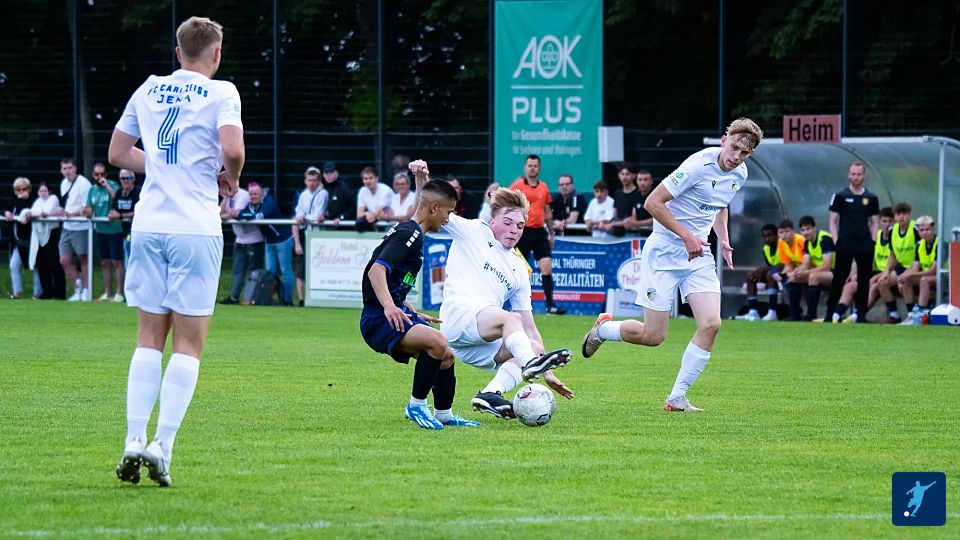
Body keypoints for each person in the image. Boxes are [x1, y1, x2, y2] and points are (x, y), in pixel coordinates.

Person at [109, 15, 245, 487]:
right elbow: (233, 149)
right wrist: (231, 178)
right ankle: (161, 446)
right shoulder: (222, 91)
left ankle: (133, 438)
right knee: (188, 344)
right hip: (194, 228)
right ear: (216, 54)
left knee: (148, 337)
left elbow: (118, 153)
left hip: (149, 225)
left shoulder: (148, 88)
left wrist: (166, 169)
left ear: (177, 52)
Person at [581, 117, 763, 413]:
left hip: (698, 254)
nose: (736, 157)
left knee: (711, 324)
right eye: (734, 148)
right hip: (664, 252)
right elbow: (652, 203)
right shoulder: (697, 166)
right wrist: (686, 236)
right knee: (654, 337)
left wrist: (724, 239)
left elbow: (720, 205)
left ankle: (677, 397)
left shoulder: (739, 173)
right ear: (724, 139)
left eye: (744, 153)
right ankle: (604, 329)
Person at [437, 181, 574, 419]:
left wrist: (548, 372)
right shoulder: (473, 230)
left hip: (475, 343)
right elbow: (434, 208)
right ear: (492, 221)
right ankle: (530, 363)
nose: (514, 230)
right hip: (457, 318)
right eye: (508, 222)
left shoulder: (519, 268)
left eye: (520, 225)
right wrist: (422, 178)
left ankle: (490, 393)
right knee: (511, 320)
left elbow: (529, 326)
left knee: (533, 346)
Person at [360, 159, 478, 430]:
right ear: (435, 209)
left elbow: (423, 203)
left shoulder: (412, 230)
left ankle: (444, 414)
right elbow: (376, 272)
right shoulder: (409, 234)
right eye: (448, 212)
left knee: (446, 354)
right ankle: (416, 406)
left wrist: (406, 307)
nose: (448, 219)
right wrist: (390, 307)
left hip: (392, 312)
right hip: (378, 319)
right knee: (437, 342)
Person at [510, 154, 566, 314]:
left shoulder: (544, 187)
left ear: (539, 168)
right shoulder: (516, 186)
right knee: (522, 271)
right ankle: (521, 306)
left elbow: (547, 212)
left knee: (546, 267)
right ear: (525, 168)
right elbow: (507, 206)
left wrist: (552, 234)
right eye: (530, 165)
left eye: (535, 166)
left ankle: (550, 305)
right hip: (523, 232)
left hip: (540, 232)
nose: (532, 168)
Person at [824, 162, 879, 323]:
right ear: (849, 175)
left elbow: (874, 221)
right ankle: (829, 314)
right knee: (839, 279)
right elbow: (833, 220)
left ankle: (861, 316)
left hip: (864, 244)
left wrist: (872, 241)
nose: (856, 177)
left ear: (864, 176)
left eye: (859, 174)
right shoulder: (840, 196)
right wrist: (836, 241)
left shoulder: (871, 198)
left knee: (863, 280)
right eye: (853, 174)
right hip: (845, 243)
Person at [825, 206, 894, 323]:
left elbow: (896, 259)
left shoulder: (895, 236)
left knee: (872, 285)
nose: (887, 224)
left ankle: (858, 315)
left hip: (890, 272)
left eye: (890, 221)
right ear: (879, 222)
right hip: (876, 272)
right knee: (850, 286)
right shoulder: (875, 236)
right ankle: (836, 314)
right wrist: (854, 272)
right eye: (884, 221)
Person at [239, 182, 294, 305]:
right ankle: (273, 298)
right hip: (269, 241)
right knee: (270, 272)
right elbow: (241, 215)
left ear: (262, 193)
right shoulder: (251, 206)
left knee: (285, 270)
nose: (253, 196)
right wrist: (240, 214)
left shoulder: (269, 202)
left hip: (283, 239)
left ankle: (288, 300)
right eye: (251, 194)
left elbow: (259, 216)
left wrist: (241, 214)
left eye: (256, 194)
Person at [84, 162, 125, 303]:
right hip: (100, 230)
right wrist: (87, 212)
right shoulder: (92, 190)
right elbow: (89, 207)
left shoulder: (113, 185)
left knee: (116, 261)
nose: (99, 177)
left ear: (106, 175)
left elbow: (117, 198)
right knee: (105, 262)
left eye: (102, 174)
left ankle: (119, 293)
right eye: (97, 174)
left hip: (115, 229)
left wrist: (106, 185)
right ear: (93, 175)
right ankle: (107, 293)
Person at [218, 183, 263, 304]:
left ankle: (251, 298)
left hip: (254, 239)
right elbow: (219, 213)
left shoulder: (243, 195)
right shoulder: (230, 197)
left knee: (254, 271)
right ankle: (234, 297)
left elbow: (234, 215)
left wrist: (225, 215)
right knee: (238, 270)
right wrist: (226, 198)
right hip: (240, 239)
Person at [56, 158, 92, 302]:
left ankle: (87, 290)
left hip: (80, 226)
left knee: (83, 258)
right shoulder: (63, 183)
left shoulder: (84, 183)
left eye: (70, 168)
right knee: (64, 259)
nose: (67, 171)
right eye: (64, 168)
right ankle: (78, 287)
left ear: (75, 168)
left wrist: (72, 214)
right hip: (67, 226)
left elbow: (86, 207)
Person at [785, 216, 834, 321]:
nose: (805, 232)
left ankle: (811, 315)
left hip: (834, 273)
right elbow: (805, 264)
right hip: (819, 272)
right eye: (802, 230)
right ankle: (794, 314)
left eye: (808, 229)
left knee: (813, 277)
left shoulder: (825, 239)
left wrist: (806, 272)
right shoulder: (807, 242)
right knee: (793, 278)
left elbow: (827, 266)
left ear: (814, 228)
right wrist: (798, 270)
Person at [293, 166, 328, 305]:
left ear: (319, 181)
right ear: (305, 181)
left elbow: (318, 215)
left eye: (314, 180)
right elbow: (299, 213)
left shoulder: (322, 194)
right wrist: (301, 217)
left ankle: (318, 297)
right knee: (301, 268)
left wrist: (304, 217)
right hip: (305, 234)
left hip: (318, 235)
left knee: (318, 267)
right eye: (309, 180)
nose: (311, 183)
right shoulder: (303, 195)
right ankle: (301, 299)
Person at [876, 202, 916, 323]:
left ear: (909, 215)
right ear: (895, 216)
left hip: (916, 267)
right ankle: (894, 315)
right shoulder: (893, 231)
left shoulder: (915, 228)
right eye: (898, 214)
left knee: (903, 283)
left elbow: (920, 252)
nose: (901, 217)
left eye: (904, 214)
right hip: (902, 266)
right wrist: (887, 272)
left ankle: (912, 315)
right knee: (882, 283)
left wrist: (910, 271)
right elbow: (892, 255)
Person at [897, 215, 939, 325]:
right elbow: (915, 268)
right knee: (905, 281)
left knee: (924, 280)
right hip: (928, 275)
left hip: (944, 277)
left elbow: (933, 271)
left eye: (927, 229)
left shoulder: (939, 244)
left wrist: (911, 275)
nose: (924, 233)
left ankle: (920, 314)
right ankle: (911, 314)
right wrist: (905, 276)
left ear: (933, 229)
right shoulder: (919, 245)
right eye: (921, 230)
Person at [27, 182, 66, 299]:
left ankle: (60, 294)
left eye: (45, 191)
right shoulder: (37, 202)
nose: (43, 193)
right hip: (39, 236)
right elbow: (32, 213)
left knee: (54, 263)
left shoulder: (53, 199)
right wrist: (37, 214)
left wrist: (41, 214)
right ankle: (47, 292)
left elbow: (46, 212)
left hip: (52, 233)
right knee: (42, 264)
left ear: (49, 192)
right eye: (41, 191)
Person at [735, 223, 781, 321]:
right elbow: (770, 265)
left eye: (770, 235)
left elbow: (785, 264)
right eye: (765, 236)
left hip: (783, 274)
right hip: (774, 273)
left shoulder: (782, 245)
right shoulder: (765, 249)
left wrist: (765, 269)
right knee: (751, 277)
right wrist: (760, 271)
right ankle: (753, 311)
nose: (767, 239)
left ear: (776, 235)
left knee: (769, 275)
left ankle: (772, 312)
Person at [5, 177, 38, 299]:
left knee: (35, 266)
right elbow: (7, 210)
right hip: (19, 241)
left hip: (33, 239)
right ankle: (17, 293)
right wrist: (6, 213)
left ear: (29, 189)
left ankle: (37, 294)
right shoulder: (14, 201)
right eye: (18, 190)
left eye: (24, 189)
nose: (21, 192)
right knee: (14, 266)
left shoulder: (34, 201)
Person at [109, 169, 140, 274]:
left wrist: (121, 216)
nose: (126, 181)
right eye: (123, 178)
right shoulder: (119, 192)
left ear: (133, 179)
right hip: (121, 231)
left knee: (131, 257)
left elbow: (138, 212)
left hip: (135, 231)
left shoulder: (138, 192)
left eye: (128, 178)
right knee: (122, 259)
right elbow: (114, 208)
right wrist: (112, 214)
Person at [355, 166, 393, 232]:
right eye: (365, 179)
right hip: (378, 222)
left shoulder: (385, 189)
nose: (368, 181)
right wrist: (367, 213)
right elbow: (359, 214)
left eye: (371, 178)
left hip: (393, 223)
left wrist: (368, 214)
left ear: (376, 178)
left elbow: (378, 212)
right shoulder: (362, 191)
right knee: (359, 223)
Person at [321, 161, 355, 227]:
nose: (328, 175)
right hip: (325, 226)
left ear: (337, 173)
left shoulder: (344, 187)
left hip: (342, 226)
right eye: (326, 173)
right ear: (323, 175)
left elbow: (353, 206)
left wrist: (341, 217)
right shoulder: (321, 189)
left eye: (331, 172)